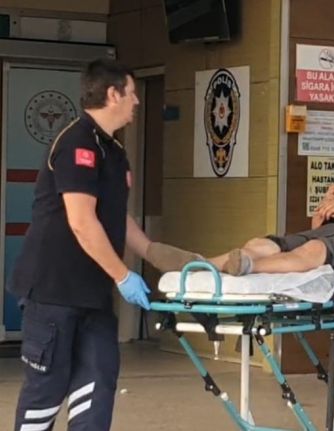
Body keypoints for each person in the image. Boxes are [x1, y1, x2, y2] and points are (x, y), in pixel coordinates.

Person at [8, 59, 156, 431]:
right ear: (113, 94)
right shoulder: (76, 142)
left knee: (97, 381)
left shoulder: (114, 151)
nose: (137, 101)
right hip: (53, 292)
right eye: (132, 93)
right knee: (47, 389)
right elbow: (82, 220)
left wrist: (155, 254)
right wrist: (124, 276)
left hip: (92, 295)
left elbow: (116, 216)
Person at [146, 144, 334, 276]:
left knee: (315, 250)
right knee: (264, 244)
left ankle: (248, 268)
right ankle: (200, 265)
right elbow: (318, 226)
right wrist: (329, 202)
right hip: (331, 234)